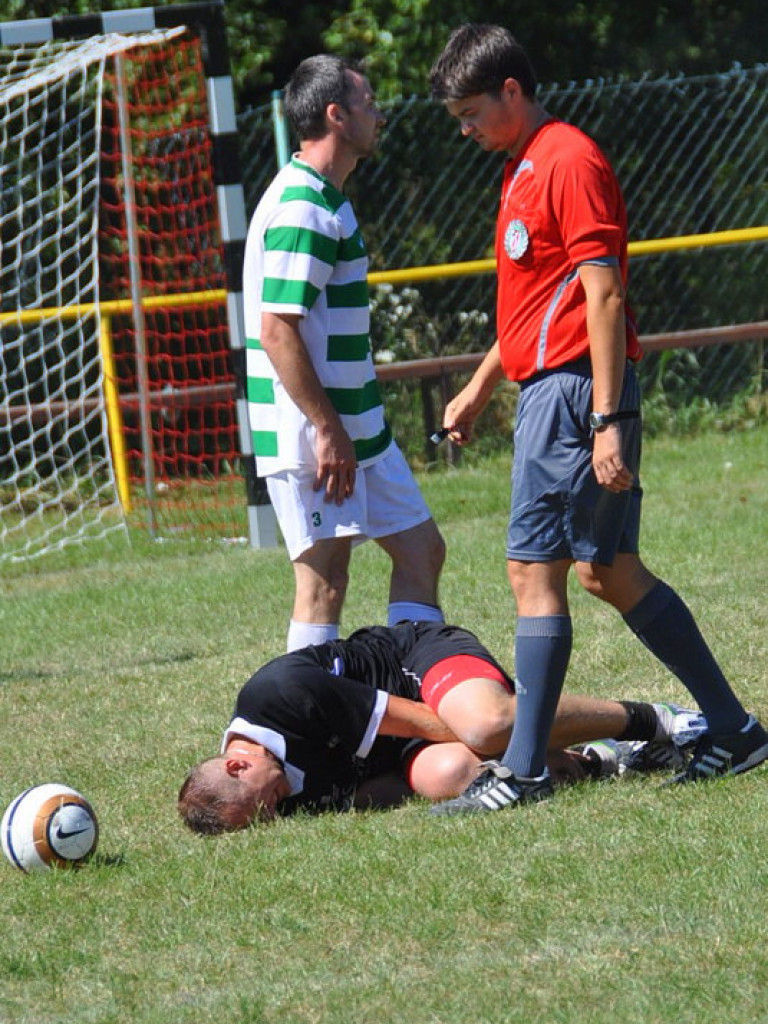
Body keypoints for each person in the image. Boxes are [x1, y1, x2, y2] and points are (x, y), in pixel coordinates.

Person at [426, 24, 768, 814]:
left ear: (513, 91)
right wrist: (481, 386)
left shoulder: (567, 159)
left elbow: (603, 294)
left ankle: (523, 772)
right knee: (605, 569)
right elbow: (532, 304)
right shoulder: (520, 169)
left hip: (575, 393)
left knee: (532, 573)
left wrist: (608, 416)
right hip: (558, 385)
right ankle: (734, 728)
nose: (467, 129)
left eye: (474, 112)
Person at [243, 55, 445, 652]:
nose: (379, 114)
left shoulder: (327, 198)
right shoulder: (303, 208)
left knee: (421, 548)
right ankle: (298, 730)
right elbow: (278, 330)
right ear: (337, 115)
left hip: (359, 431)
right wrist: (326, 428)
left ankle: (415, 681)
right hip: (317, 436)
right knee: (323, 583)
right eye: (369, 103)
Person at [177, 620, 705, 833]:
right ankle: (605, 760)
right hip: (407, 743)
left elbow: (425, 721)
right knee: (452, 774)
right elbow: (377, 790)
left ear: (239, 763)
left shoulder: (279, 697)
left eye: (263, 806)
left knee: (483, 725)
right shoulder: (273, 789)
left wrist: (508, 747)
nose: (277, 812)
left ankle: (657, 722)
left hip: (418, 663)